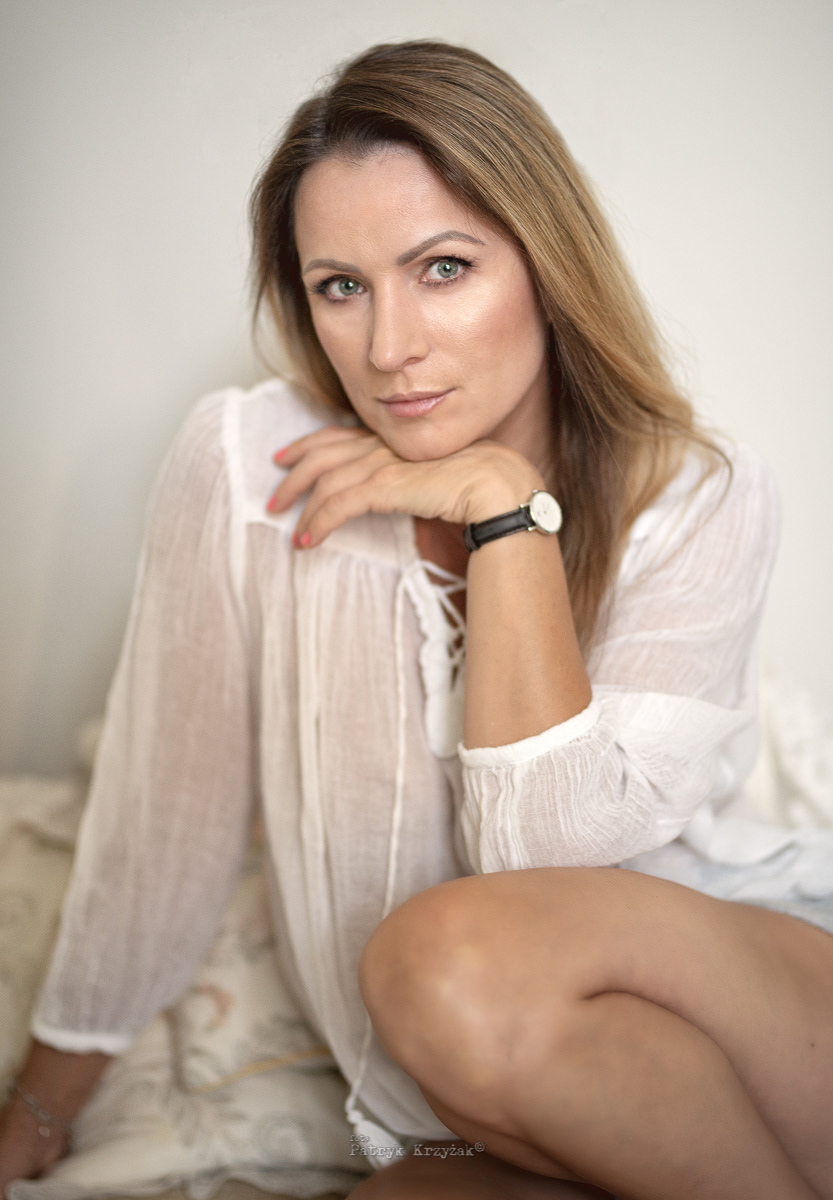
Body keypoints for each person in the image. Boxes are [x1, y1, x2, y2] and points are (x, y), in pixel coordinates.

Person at [1, 39, 832, 1200]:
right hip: (467, 1100)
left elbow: (539, 876)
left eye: (442, 268)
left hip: (756, 1017)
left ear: (545, 264)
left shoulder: (696, 492)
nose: (388, 349)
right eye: (339, 286)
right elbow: (163, 819)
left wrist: (502, 511)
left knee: (438, 953)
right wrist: (39, 1109)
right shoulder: (250, 468)